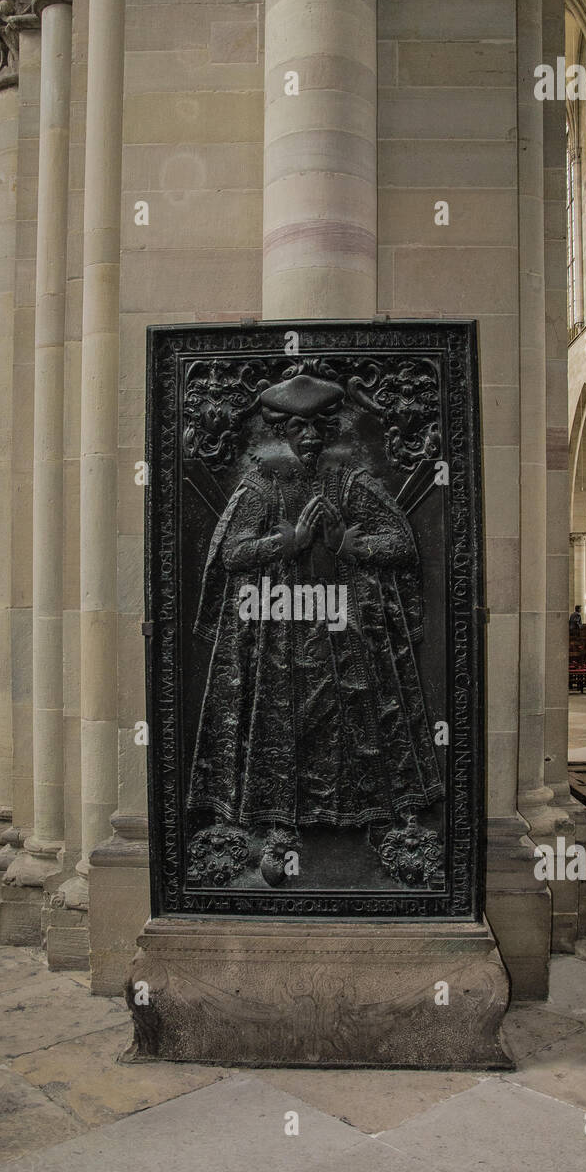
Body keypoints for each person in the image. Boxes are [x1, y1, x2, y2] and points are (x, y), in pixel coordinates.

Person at [187, 371, 442, 880]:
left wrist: (351, 544)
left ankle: (378, 820)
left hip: (345, 634)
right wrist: (288, 543)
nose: (309, 438)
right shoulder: (261, 485)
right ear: (283, 431)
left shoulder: (351, 484)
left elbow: (403, 545)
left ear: (326, 432)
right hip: (277, 631)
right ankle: (278, 826)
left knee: (359, 723)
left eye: (317, 429)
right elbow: (231, 554)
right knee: (278, 727)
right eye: (298, 429)